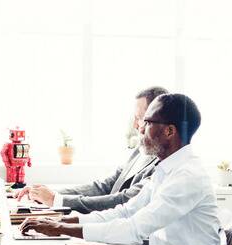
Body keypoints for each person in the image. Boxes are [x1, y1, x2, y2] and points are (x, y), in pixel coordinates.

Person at [19, 93, 223, 245]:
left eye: (147, 122)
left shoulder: (187, 176)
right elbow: (124, 212)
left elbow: (134, 229)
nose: (140, 128)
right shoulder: (167, 169)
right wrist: (66, 222)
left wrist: (60, 228)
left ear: (169, 131)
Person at [16, 86, 170, 213]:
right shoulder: (140, 151)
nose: (136, 125)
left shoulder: (164, 164)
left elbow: (124, 200)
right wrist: (46, 193)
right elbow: (104, 187)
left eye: (140, 118)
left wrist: (57, 200)